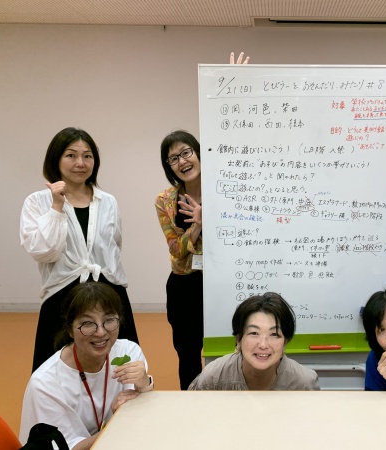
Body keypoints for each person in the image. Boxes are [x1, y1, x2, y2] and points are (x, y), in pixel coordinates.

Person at [155, 51, 249, 389]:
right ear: (170, 168)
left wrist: (233, 87)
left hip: (223, 282)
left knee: (229, 351)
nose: (182, 161)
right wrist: (197, 224)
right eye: (173, 159)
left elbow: (236, 141)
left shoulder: (224, 188)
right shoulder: (165, 200)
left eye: (186, 152)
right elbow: (177, 252)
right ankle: (191, 406)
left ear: (198, 152)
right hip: (185, 287)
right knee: (188, 355)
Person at [21, 127, 139, 373]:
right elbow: (43, 251)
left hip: (109, 292)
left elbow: (114, 247)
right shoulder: (37, 201)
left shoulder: (108, 201)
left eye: (87, 156)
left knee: (119, 369)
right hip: (63, 296)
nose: (80, 163)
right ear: (56, 159)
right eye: (71, 155)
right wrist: (56, 206)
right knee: (57, 372)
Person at [19, 282, 153, 450]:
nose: (101, 332)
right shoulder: (45, 384)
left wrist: (145, 384)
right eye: (88, 323)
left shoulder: (127, 352)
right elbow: (67, 448)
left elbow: (138, 412)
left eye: (109, 320)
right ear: (69, 329)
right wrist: (115, 423)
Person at [188, 292, 320, 390]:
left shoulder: (304, 383)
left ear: (285, 342)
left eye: (274, 334)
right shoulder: (213, 377)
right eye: (254, 333)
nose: (263, 345)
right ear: (239, 338)